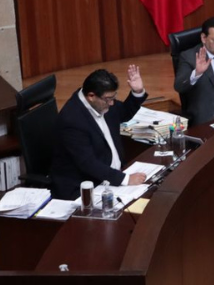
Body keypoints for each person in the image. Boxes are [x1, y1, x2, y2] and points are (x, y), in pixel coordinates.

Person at [48, 66, 148, 201]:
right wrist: (125, 179)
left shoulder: (101, 102)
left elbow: (123, 113)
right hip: (86, 188)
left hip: (111, 177)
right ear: (91, 96)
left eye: (114, 97)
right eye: (108, 99)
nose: (112, 103)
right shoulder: (72, 121)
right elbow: (88, 163)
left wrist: (137, 92)